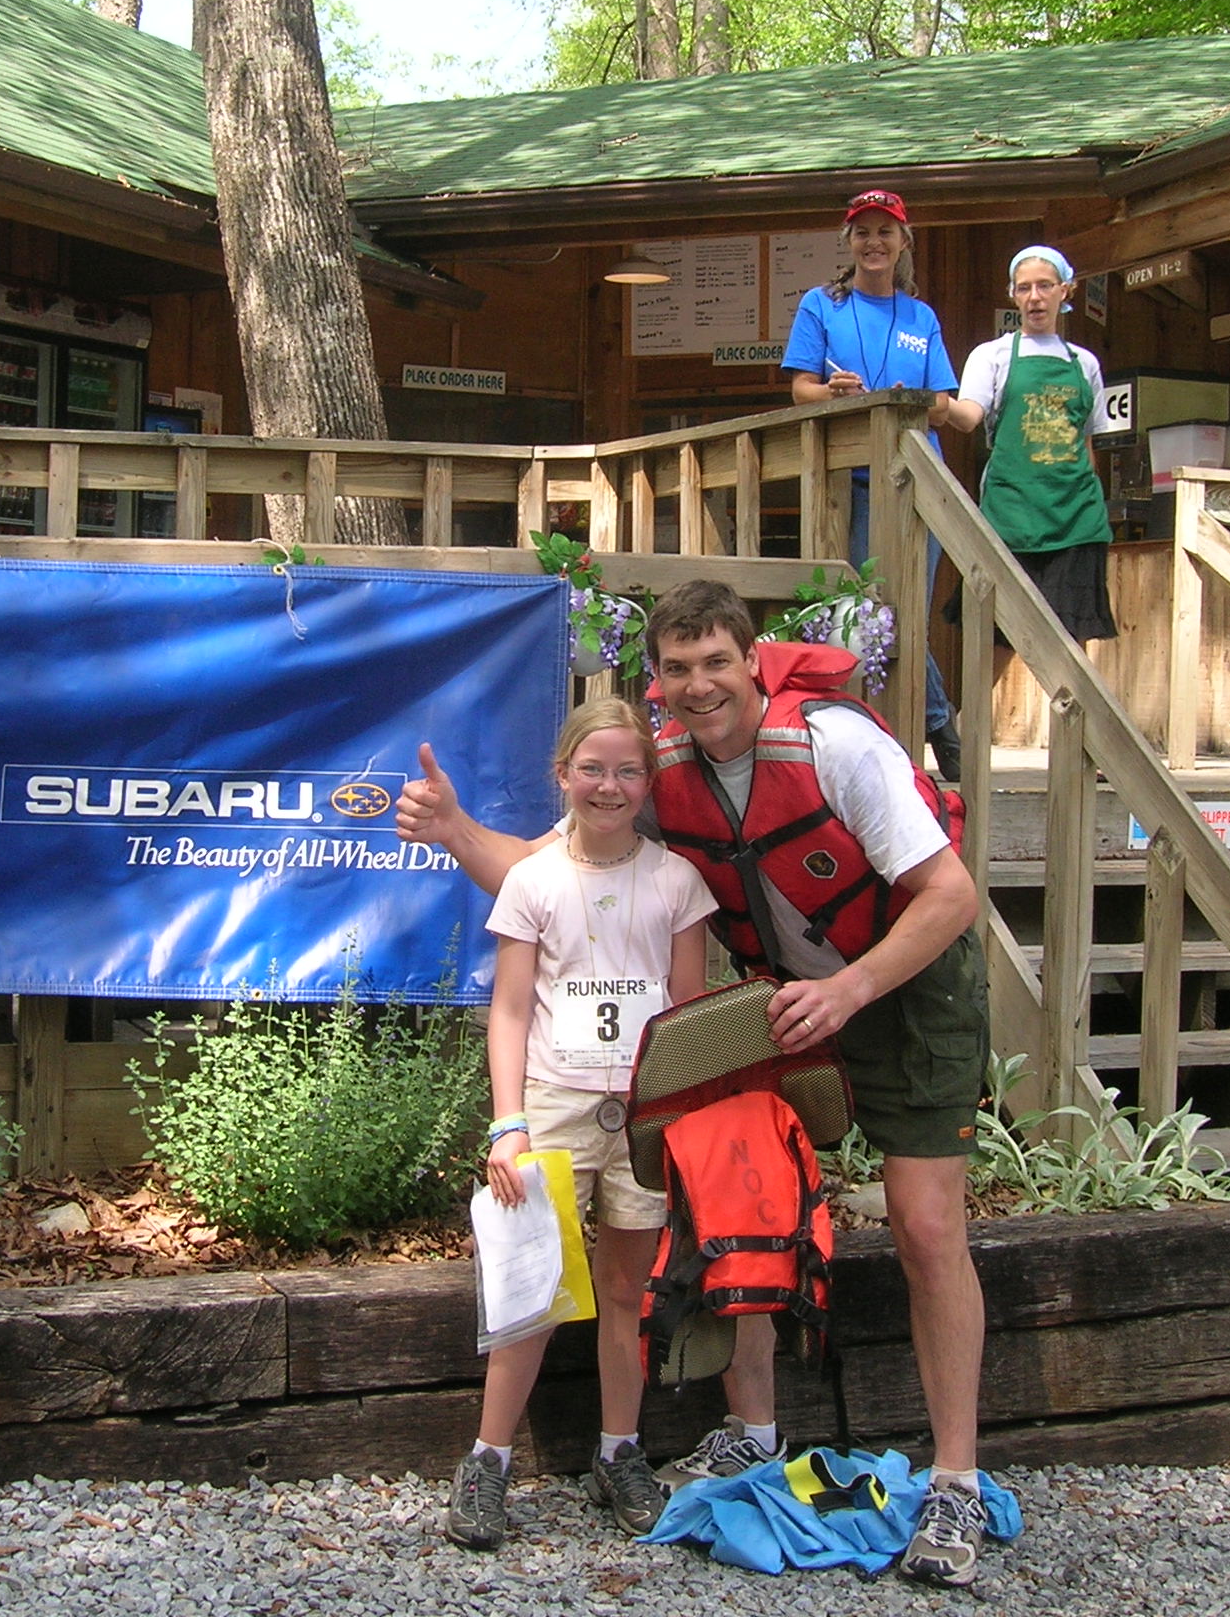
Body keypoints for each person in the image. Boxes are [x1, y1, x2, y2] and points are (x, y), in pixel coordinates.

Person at [402, 580, 996, 1587]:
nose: (699, 684)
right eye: (677, 669)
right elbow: (546, 870)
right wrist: (457, 828)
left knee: (926, 1226)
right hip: (786, 998)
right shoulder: (664, 765)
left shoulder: (837, 747)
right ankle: (752, 1431)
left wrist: (849, 990)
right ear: (658, 681)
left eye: (717, 661)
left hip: (901, 984)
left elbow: (951, 895)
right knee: (742, 1194)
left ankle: (955, 1481)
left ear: (752, 661)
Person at [446, 697, 716, 1553]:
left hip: (642, 1112)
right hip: (555, 1105)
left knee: (627, 1292)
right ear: (562, 775)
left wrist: (679, 1115)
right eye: (592, 769)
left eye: (628, 771)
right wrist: (508, 1124)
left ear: (650, 781)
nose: (609, 786)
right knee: (533, 1289)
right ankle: (488, 1459)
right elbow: (510, 1009)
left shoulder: (676, 881)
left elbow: (688, 1009)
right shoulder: (534, 879)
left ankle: (619, 1449)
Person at [783, 189, 964, 780]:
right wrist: (831, 392)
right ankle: (938, 726)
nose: (874, 242)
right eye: (863, 232)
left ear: (904, 242)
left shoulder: (921, 316)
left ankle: (924, 726)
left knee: (907, 612)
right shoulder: (821, 304)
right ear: (849, 242)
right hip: (850, 481)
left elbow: (944, 403)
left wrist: (918, 399)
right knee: (875, 609)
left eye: (886, 231)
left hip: (917, 479)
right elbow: (800, 390)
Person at [952, 246, 1117, 647]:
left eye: (1045, 286)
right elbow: (968, 417)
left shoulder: (1085, 363)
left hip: (1076, 520)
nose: (1035, 297)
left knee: (1070, 643)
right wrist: (936, 404)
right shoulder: (991, 356)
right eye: (1024, 288)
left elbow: (1087, 442)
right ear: (1013, 295)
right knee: (1000, 637)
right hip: (1010, 516)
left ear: (1065, 290)